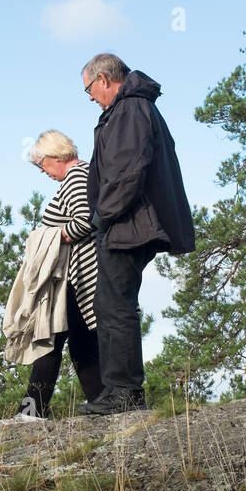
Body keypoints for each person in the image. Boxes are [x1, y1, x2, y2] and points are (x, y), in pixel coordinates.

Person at [77, 53, 195, 416]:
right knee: (109, 303)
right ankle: (118, 390)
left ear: (103, 78)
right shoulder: (132, 109)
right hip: (127, 222)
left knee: (115, 304)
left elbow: (129, 170)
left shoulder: (129, 110)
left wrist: (103, 215)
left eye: (89, 90)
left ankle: (125, 392)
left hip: (128, 224)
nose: (91, 98)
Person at [0, 130, 104, 423]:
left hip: (73, 276)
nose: (42, 171)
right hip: (78, 274)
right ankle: (103, 402)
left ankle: (33, 411)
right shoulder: (84, 173)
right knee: (82, 345)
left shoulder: (75, 177)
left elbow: (85, 221)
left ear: (56, 155)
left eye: (42, 164)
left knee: (49, 338)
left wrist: (52, 236)